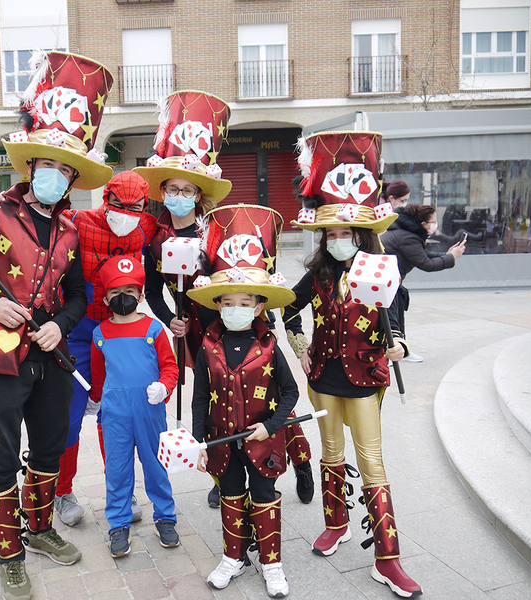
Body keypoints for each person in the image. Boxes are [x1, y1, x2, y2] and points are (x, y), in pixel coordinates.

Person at [0, 51, 113, 600]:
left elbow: (80, 294)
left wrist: (62, 323)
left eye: (66, 169)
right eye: (48, 166)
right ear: (31, 166)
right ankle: (10, 556)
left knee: (51, 447)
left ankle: (39, 530)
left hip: (50, 357)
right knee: (0, 458)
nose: (56, 176)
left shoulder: (69, 231)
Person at [135, 90, 314, 508]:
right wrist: (168, 319)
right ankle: (224, 474)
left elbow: (250, 269)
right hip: (196, 332)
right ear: (164, 191)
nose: (180, 195)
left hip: (241, 320)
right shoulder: (156, 237)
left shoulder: (216, 229)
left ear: (200, 194)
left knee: (268, 396)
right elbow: (151, 288)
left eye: (189, 189)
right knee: (220, 398)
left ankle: (301, 459)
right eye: (173, 188)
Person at [286, 131, 422, 598]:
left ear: (362, 233)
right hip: (322, 376)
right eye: (333, 233)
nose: (339, 239)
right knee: (331, 454)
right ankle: (336, 523)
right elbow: (287, 307)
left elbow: (397, 313)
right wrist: (299, 344)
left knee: (372, 463)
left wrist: (398, 343)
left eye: (347, 233)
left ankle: (388, 559)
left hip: (365, 378)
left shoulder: (382, 269)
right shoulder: (317, 272)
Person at [0, 170, 159, 527]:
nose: (126, 213)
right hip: (76, 330)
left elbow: (182, 233)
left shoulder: (149, 227)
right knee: (68, 419)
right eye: (118, 204)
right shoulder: (76, 220)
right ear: (105, 198)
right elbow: (29, 214)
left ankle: (120, 490)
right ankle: (62, 490)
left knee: (117, 415)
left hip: (122, 332)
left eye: (135, 206)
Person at [188, 204, 298, 598]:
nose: (236, 309)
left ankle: (272, 564)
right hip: (221, 441)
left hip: (262, 440)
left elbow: (291, 393)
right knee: (231, 495)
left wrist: (271, 425)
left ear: (259, 306)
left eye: (245, 302)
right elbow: (201, 397)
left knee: (264, 496)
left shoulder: (269, 347)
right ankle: (233, 558)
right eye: (228, 302)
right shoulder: (208, 347)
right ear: (218, 304)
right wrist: (199, 439)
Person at [90, 255, 179, 557]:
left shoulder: (154, 330)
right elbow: (98, 374)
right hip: (115, 413)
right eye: (115, 293)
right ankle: (118, 523)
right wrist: (96, 399)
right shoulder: (99, 333)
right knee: (117, 469)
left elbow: (170, 367)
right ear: (105, 298)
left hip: (149, 410)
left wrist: (164, 387)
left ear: (141, 295)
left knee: (156, 465)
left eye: (129, 291)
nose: (122, 298)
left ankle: (165, 516)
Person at [380, 202, 465, 362]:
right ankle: (393, 354)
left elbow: (421, 254)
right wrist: (451, 257)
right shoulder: (408, 237)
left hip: (389, 283)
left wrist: (446, 255)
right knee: (392, 321)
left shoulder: (406, 232)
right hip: (385, 285)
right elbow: (426, 264)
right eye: (432, 222)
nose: (435, 225)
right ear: (423, 224)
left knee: (396, 318)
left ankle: (401, 351)